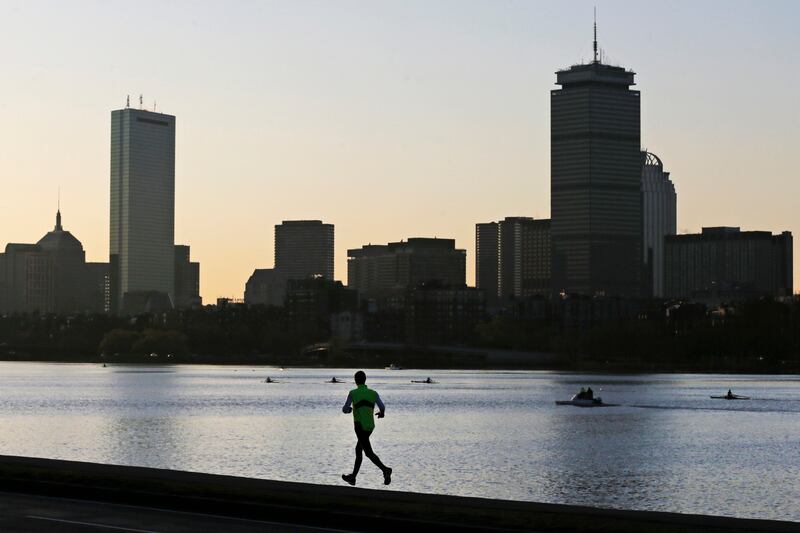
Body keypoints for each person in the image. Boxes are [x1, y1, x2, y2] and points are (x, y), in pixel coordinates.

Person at [341, 370, 392, 486]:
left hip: (359, 426)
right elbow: (382, 406)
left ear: (355, 381)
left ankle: (386, 470)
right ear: (365, 380)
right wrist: (382, 413)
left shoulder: (353, 393)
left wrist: (348, 410)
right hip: (370, 426)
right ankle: (353, 477)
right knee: (359, 450)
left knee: (368, 453)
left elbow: (345, 409)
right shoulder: (373, 393)